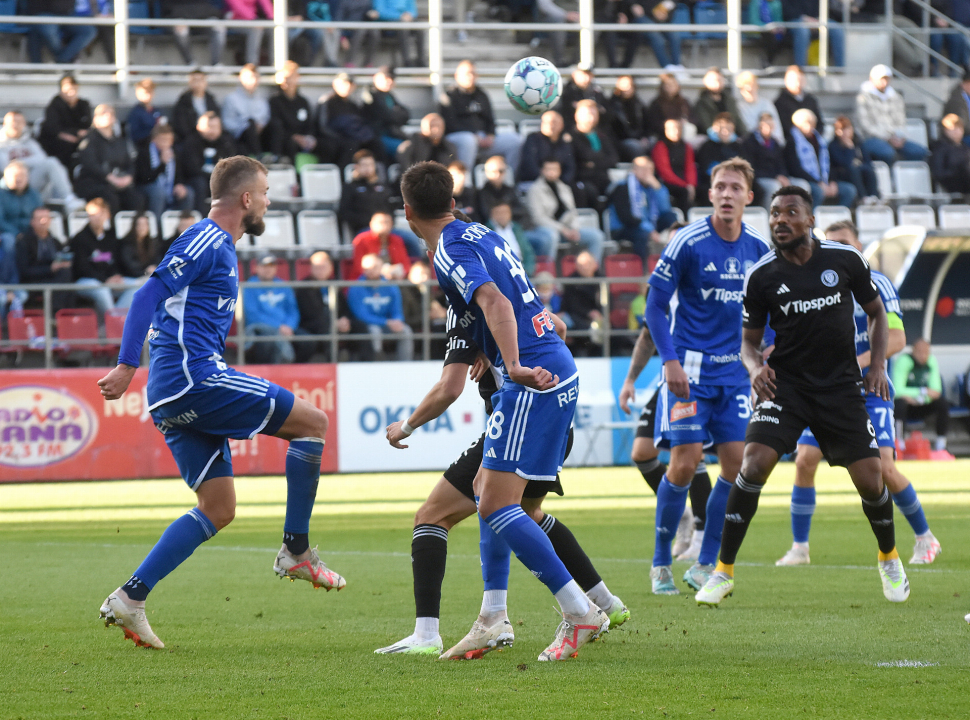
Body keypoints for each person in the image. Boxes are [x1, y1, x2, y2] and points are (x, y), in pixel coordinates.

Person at [97, 156, 343, 650]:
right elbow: (147, 294)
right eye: (267, 193)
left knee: (218, 506)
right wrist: (127, 363)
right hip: (192, 379)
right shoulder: (206, 239)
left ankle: (130, 598)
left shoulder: (221, 247)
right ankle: (295, 550)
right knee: (313, 422)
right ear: (246, 198)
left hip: (173, 393)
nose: (270, 201)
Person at [400, 160, 611, 662]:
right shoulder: (486, 235)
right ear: (453, 200)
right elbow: (533, 306)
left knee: (496, 505)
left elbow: (494, 301)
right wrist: (498, 345)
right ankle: (497, 616)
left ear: (408, 212)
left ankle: (580, 611)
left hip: (532, 379)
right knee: (491, 496)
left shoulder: (447, 250)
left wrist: (512, 364)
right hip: (554, 365)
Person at [694, 184, 909, 608]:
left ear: (809, 220)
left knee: (871, 478)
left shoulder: (844, 260)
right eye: (774, 214)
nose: (780, 220)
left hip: (840, 388)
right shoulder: (762, 276)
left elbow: (877, 312)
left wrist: (878, 366)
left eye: (790, 212)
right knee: (753, 464)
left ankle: (888, 556)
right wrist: (756, 369)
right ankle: (723, 572)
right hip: (786, 386)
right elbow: (748, 342)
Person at [375, 301, 629, 656]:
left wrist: (406, 426)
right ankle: (603, 602)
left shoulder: (465, 302)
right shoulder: (510, 290)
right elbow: (559, 328)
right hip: (549, 423)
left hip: (516, 427)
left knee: (435, 514)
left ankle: (428, 634)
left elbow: (449, 388)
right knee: (521, 515)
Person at [776, 220, 941, 568]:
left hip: (868, 389)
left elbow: (896, 339)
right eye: (831, 243)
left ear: (859, 247)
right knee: (805, 461)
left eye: (845, 244)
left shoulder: (876, 283)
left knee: (883, 468)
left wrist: (852, 361)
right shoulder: (814, 283)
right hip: (823, 391)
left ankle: (926, 537)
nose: (838, 250)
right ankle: (799, 548)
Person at [644, 157, 771, 596]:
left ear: (748, 197)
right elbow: (654, 307)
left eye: (736, 187)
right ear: (710, 193)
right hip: (690, 372)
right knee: (683, 463)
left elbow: (767, 313)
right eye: (720, 186)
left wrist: (767, 354)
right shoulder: (688, 241)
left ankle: (705, 562)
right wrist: (670, 361)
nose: (727, 194)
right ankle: (660, 560)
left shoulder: (758, 248)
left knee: (738, 467)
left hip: (736, 374)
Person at [439, 60, 523, 174]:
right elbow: (449, 124)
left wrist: (490, 135)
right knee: (469, 140)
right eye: (467, 73)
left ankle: (509, 180)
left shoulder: (481, 95)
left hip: (483, 139)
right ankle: (465, 182)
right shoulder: (449, 95)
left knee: (515, 140)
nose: (470, 76)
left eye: (473, 73)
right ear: (456, 76)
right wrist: (474, 135)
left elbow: (490, 120)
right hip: (459, 139)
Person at [70, 197, 139, 314]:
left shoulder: (111, 237)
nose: (97, 217)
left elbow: (114, 262)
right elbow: (82, 268)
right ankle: (115, 320)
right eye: (93, 214)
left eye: (101, 213)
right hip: (87, 281)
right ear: (88, 216)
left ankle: (113, 319)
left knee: (138, 286)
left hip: (108, 279)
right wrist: (105, 280)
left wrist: (116, 276)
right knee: (101, 290)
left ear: (107, 215)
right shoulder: (80, 238)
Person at [526, 158, 604, 261]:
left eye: (555, 169)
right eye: (548, 169)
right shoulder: (534, 190)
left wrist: (575, 229)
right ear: (542, 171)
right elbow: (538, 219)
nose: (551, 172)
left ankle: (592, 270)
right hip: (543, 230)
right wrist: (562, 230)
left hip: (567, 230)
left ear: (559, 171)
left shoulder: (564, 188)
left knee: (596, 236)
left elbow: (572, 212)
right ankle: (548, 271)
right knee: (552, 236)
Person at [0, 110, 82, 209]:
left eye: (19, 122)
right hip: (9, 185)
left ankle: (69, 198)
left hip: (31, 180)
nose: (15, 125)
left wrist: (20, 162)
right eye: (12, 122)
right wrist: (25, 163)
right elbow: (5, 166)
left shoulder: (30, 142)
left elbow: (42, 159)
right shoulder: (1, 144)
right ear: (5, 124)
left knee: (51, 162)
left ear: (24, 124)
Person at [75, 104, 145, 215]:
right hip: (95, 183)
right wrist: (109, 178)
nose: (108, 116)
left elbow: (129, 162)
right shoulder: (89, 140)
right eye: (103, 113)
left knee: (136, 199)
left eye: (111, 113)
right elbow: (90, 164)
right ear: (95, 119)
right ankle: (110, 230)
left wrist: (128, 177)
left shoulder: (120, 141)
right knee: (111, 199)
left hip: (119, 182)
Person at [855, 65, 929, 166]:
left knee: (920, 152)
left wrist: (900, 137)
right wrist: (887, 138)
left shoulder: (896, 97)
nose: (884, 82)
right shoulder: (863, 97)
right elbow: (866, 126)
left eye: (887, 79)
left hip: (894, 137)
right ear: (872, 79)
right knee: (888, 153)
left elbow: (901, 121)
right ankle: (890, 179)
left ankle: (908, 178)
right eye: (881, 79)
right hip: (871, 138)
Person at [893, 338, 954, 459]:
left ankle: (941, 444)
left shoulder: (931, 361)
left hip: (921, 403)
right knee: (900, 403)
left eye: (926, 352)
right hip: (906, 406)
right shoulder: (903, 361)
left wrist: (920, 395)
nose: (923, 356)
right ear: (913, 351)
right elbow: (897, 390)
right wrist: (923, 391)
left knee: (942, 403)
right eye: (920, 352)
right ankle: (899, 444)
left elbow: (936, 391)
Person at [244, 254, 311, 364]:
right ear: (256, 268)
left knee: (308, 342)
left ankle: (294, 372)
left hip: (286, 327)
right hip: (261, 330)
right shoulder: (249, 287)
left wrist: (289, 326)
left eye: (271, 266)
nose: (268, 269)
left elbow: (293, 310)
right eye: (264, 266)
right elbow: (252, 315)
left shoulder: (283, 285)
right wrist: (279, 327)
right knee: (269, 343)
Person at [347, 252, 413, 361]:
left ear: (381, 268)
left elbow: (397, 310)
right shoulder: (356, 288)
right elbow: (361, 315)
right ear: (362, 269)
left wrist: (397, 321)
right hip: (366, 326)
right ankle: (377, 363)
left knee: (406, 330)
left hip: (387, 324)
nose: (371, 271)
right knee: (374, 331)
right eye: (367, 268)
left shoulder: (391, 286)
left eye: (375, 267)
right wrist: (386, 322)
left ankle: (405, 364)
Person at [785, 108, 856, 209]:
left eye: (811, 123)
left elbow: (828, 163)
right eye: (805, 123)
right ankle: (811, 220)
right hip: (807, 180)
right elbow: (795, 169)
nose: (809, 127)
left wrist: (831, 181)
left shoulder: (819, 141)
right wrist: (817, 182)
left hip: (824, 181)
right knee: (817, 192)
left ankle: (838, 219)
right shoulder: (792, 142)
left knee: (849, 190)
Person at [608, 155, 677, 259]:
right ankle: (644, 270)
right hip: (624, 227)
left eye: (650, 169)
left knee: (671, 217)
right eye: (643, 169)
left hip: (648, 224)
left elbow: (665, 209)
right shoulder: (622, 187)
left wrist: (658, 188)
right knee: (642, 235)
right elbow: (627, 217)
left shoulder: (651, 187)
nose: (647, 173)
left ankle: (674, 259)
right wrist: (650, 230)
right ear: (634, 170)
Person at [295, 250, 353, 362]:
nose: (320, 270)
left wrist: (345, 319)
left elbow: (344, 308)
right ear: (311, 268)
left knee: (359, 327)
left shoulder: (335, 285)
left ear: (331, 267)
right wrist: (333, 322)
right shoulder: (304, 287)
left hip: (335, 323)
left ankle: (368, 364)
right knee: (326, 326)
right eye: (317, 267)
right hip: (311, 325)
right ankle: (333, 363)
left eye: (323, 267)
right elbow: (309, 313)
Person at [15, 206, 73, 312]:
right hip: (33, 281)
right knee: (63, 284)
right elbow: (24, 271)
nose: (44, 222)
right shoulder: (24, 242)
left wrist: (63, 264)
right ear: (32, 222)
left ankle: (66, 319)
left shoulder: (55, 242)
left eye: (47, 218)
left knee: (67, 275)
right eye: (40, 219)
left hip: (54, 280)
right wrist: (50, 269)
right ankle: (55, 313)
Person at [319, 72, 383, 164]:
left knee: (375, 143)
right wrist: (341, 137)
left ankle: (376, 174)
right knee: (350, 145)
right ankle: (344, 175)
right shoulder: (327, 101)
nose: (348, 87)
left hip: (352, 136)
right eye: (344, 84)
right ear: (335, 84)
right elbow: (323, 127)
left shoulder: (352, 105)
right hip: (334, 138)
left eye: (350, 84)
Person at [136, 125, 195, 222]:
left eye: (169, 140)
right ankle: (157, 228)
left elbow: (179, 174)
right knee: (159, 192)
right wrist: (162, 163)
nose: (166, 143)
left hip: (169, 188)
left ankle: (183, 226)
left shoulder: (175, 152)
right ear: (154, 139)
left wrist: (179, 184)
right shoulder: (144, 152)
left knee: (188, 193)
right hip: (147, 187)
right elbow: (145, 178)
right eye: (163, 139)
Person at [182, 113, 237, 215]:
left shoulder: (226, 143)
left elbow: (231, 166)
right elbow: (192, 168)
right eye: (208, 126)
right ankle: (202, 218)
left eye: (215, 127)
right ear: (199, 127)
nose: (212, 131)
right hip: (198, 180)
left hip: (219, 179)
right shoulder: (191, 142)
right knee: (200, 184)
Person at [266, 61, 318, 164]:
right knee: (290, 143)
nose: (287, 81)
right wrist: (293, 136)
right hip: (284, 140)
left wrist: (308, 137)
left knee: (327, 145)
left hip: (302, 140)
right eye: (285, 77)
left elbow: (309, 124)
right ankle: (294, 176)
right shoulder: (275, 101)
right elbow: (275, 125)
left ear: (297, 77)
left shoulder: (303, 101)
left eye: (291, 77)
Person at [571, 99, 619, 210]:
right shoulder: (572, 137)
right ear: (577, 116)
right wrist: (599, 159)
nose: (591, 118)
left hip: (603, 178)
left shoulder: (602, 135)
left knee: (620, 189)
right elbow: (582, 157)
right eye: (588, 114)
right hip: (584, 180)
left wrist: (593, 163)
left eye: (594, 114)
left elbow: (613, 159)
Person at [39, 74, 92, 172]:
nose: (71, 93)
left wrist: (79, 135)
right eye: (67, 91)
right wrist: (72, 134)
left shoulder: (83, 105)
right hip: (57, 143)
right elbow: (52, 128)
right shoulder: (54, 106)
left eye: (73, 90)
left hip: (80, 140)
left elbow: (88, 124)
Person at [741, 112, 794, 211]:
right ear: (759, 125)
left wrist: (783, 176)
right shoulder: (750, 142)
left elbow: (781, 164)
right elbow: (750, 167)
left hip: (776, 177)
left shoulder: (775, 143)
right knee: (774, 187)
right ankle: (769, 218)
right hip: (760, 177)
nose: (768, 128)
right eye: (765, 125)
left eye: (771, 125)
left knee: (802, 185)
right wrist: (775, 177)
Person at [339, 150, 397, 235]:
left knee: (410, 239)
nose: (368, 168)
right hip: (364, 230)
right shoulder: (350, 187)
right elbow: (344, 212)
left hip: (387, 230)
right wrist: (370, 222)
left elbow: (391, 208)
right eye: (364, 165)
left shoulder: (383, 187)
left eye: (370, 165)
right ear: (357, 167)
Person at [559, 250, 605, 356]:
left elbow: (607, 301)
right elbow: (571, 305)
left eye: (587, 264)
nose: (584, 267)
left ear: (595, 265)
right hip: (576, 318)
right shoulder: (571, 282)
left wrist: (600, 314)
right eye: (581, 265)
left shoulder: (602, 280)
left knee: (614, 332)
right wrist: (588, 313)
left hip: (599, 319)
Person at [222, 65, 272, 158]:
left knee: (276, 125)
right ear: (241, 78)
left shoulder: (261, 99)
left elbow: (266, 117)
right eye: (250, 77)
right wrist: (245, 126)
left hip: (260, 134)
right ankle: (259, 156)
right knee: (250, 123)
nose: (253, 81)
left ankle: (277, 157)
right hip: (240, 136)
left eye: (256, 77)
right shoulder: (231, 99)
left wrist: (260, 125)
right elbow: (227, 123)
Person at [26, 0, 98, 64]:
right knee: (49, 31)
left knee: (88, 31)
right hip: (43, 14)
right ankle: (64, 61)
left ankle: (61, 60)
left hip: (67, 14)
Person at [362, 66, 411, 159]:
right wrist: (395, 114)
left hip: (392, 134)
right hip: (378, 137)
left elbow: (406, 115)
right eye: (386, 78)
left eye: (392, 79)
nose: (389, 81)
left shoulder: (389, 95)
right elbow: (386, 116)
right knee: (406, 149)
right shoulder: (371, 94)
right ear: (376, 77)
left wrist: (393, 114)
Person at [830, 116, 880, 203]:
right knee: (853, 169)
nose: (845, 133)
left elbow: (867, 161)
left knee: (869, 170)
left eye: (847, 129)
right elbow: (844, 163)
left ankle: (874, 196)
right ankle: (862, 198)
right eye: (841, 130)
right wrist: (850, 149)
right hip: (843, 174)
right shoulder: (833, 146)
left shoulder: (859, 143)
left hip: (860, 171)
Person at [517, 110, 576, 185]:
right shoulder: (533, 139)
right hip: (535, 182)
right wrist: (545, 179)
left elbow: (570, 166)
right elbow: (529, 163)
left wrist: (561, 182)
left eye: (554, 122)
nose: (550, 125)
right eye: (546, 122)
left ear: (561, 125)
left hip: (559, 183)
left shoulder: (564, 143)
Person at [159, 1, 226, 67]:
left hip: (203, 15)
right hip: (177, 16)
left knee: (218, 27)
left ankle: (216, 64)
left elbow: (206, 7)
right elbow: (168, 8)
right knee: (181, 28)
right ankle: (190, 64)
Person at [0, 161, 43, 264]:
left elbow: (40, 214)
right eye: (15, 176)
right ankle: (10, 278)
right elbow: (1, 221)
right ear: (6, 177)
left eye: (22, 175)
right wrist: (17, 234)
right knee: (9, 241)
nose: (18, 179)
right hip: (7, 233)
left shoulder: (34, 195)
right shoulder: (1, 194)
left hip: (30, 231)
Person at [651, 118, 696, 216]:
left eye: (678, 128)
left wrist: (691, 184)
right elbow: (665, 172)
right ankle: (685, 220)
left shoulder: (686, 146)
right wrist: (684, 185)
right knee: (683, 193)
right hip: (667, 182)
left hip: (684, 182)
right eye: (672, 129)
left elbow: (690, 167)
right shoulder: (660, 146)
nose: (675, 131)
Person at [782, 0, 845, 69]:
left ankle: (840, 69)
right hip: (794, 20)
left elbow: (823, 7)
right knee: (803, 32)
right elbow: (786, 10)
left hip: (816, 19)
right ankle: (801, 70)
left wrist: (817, 20)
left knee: (837, 29)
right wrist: (805, 19)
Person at [350, 211, 412, 279]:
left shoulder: (397, 240)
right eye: (380, 222)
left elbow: (405, 265)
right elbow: (359, 267)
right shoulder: (362, 240)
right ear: (371, 224)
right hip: (367, 280)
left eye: (386, 222)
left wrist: (395, 271)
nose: (383, 225)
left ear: (391, 224)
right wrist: (382, 272)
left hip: (395, 279)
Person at [695, 114, 743, 201]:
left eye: (728, 129)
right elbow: (705, 168)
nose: (725, 132)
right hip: (713, 180)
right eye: (722, 129)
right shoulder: (707, 146)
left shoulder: (739, 146)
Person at [171, 69, 221, 144]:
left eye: (200, 80)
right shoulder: (183, 101)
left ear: (205, 82)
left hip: (212, 135)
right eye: (195, 80)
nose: (198, 83)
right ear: (189, 82)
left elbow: (217, 118)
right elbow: (181, 126)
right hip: (191, 138)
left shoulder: (211, 100)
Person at [775, 65, 825, 140]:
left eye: (800, 80)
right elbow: (782, 126)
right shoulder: (780, 102)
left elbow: (819, 124)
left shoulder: (811, 100)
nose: (798, 84)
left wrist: (812, 132)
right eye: (794, 80)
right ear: (786, 80)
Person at [558, 62, 610, 134]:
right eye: (583, 74)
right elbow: (565, 113)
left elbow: (606, 112)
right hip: (573, 132)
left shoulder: (597, 91)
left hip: (596, 131)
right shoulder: (567, 92)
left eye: (589, 75)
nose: (586, 78)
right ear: (574, 75)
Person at [608, 75, 651, 162]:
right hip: (623, 140)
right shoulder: (612, 105)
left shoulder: (638, 104)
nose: (627, 88)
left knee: (654, 142)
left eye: (629, 85)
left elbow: (647, 123)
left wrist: (644, 137)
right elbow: (614, 129)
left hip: (639, 138)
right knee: (635, 146)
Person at [735, 72, 784, 146]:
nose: (750, 89)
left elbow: (777, 129)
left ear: (757, 86)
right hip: (750, 146)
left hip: (769, 146)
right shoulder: (738, 107)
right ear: (741, 90)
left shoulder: (767, 104)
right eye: (745, 88)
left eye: (752, 85)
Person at [487, 202, 535, 276]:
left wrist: (528, 270)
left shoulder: (517, 228)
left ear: (510, 214)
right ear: (492, 215)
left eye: (505, 212)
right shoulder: (487, 231)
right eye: (498, 213)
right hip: (502, 272)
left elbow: (528, 252)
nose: (502, 216)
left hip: (522, 269)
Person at [695, 68, 746, 137]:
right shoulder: (701, 103)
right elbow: (706, 126)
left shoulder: (730, 101)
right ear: (705, 81)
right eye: (714, 80)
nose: (717, 83)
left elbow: (737, 121)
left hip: (731, 138)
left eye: (720, 80)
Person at [372, 0, 424, 66]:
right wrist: (400, 16)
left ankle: (421, 60)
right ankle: (407, 61)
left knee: (420, 27)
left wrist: (410, 15)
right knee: (403, 28)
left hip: (405, 21)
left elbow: (413, 10)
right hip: (388, 24)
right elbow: (379, 12)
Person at [645, 73, 694, 140]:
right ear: (662, 86)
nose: (670, 87)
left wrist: (682, 123)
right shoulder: (656, 103)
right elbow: (653, 123)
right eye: (667, 84)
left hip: (681, 134)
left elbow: (693, 118)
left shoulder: (684, 102)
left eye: (673, 84)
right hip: (662, 135)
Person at [930, 113, 970, 195]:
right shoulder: (940, 148)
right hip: (954, 183)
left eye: (958, 128)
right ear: (945, 130)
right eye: (952, 129)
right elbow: (938, 173)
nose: (956, 131)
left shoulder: (964, 147)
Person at [224, 0, 273, 66]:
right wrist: (253, 19)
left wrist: (272, 17)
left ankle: (274, 62)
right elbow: (238, 6)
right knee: (255, 30)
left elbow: (265, 2)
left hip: (253, 20)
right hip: (235, 21)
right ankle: (252, 64)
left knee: (274, 29)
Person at [118, 211, 160, 280]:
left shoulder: (152, 243)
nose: (142, 227)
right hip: (130, 278)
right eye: (139, 224)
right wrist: (145, 271)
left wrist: (154, 267)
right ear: (134, 226)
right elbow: (129, 266)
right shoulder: (126, 243)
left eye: (145, 224)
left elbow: (157, 258)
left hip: (147, 276)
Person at [127, 79, 164, 147]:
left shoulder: (156, 111)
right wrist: (152, 132)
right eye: (145, 92)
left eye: (150, 91)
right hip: (144, 147)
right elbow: (134, 135)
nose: (148, 94)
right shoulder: (136, 113)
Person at [941, 68, 970, 144]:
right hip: (960, 136)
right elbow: (960, 124)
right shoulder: (956, 100)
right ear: (965, 83)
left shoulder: (966, 97)